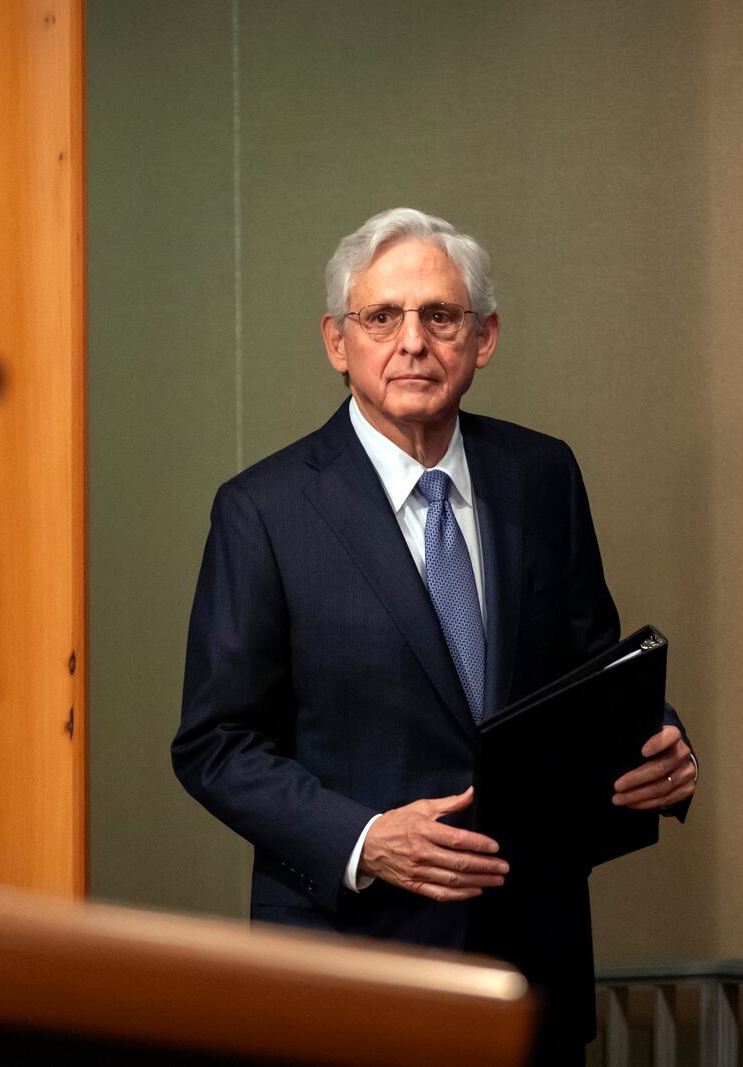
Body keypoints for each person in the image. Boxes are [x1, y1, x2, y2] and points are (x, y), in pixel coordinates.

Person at [172, 207, 697, 1063]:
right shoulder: (262, 511)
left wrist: (663, 744)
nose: (412, 342)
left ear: (483, 338)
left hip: (530, 967)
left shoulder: (543, 474)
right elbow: (215, 743)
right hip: (353, 966)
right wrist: (364, 838)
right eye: (382, 317)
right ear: (337, 342)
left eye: (439, 317)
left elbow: (591, 670)